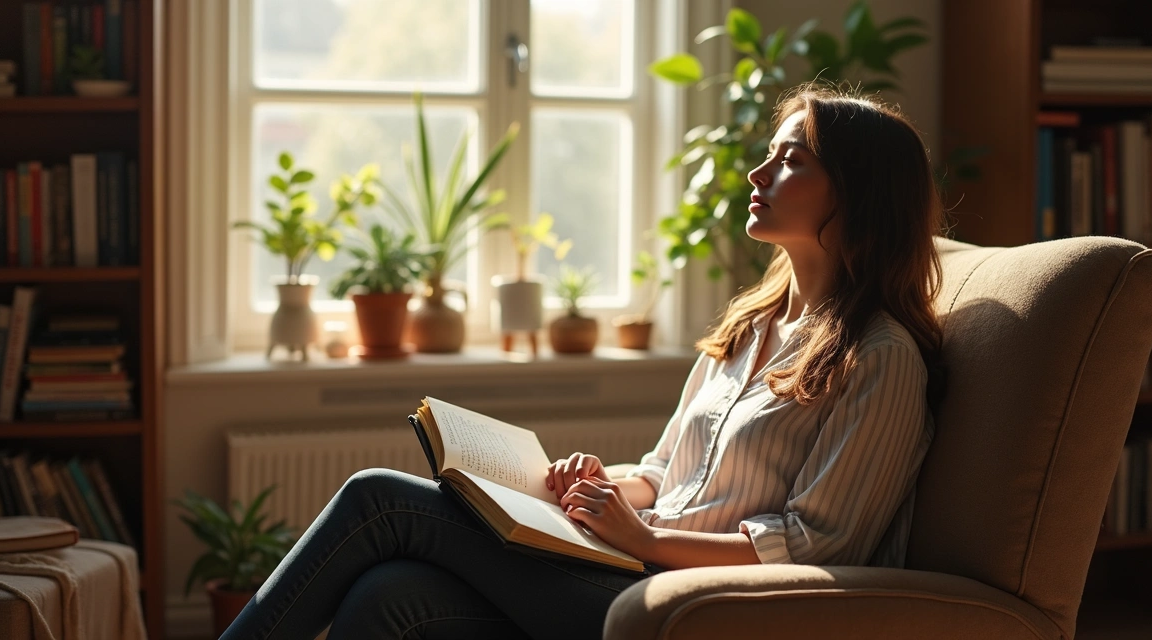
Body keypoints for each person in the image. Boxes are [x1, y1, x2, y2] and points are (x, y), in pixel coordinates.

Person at [219, 82, 946, 640]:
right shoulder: (752, 325)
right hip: (626, 564)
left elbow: (817, 545)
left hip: (694, 600)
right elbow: (663, 472)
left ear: (859, 195)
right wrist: (601, 487)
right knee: (387, 596)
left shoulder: (881, 358)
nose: (758, 174)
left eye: (791, 162)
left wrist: (648, 538)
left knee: (378, 499)